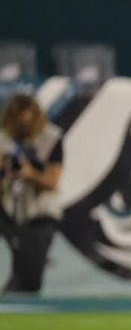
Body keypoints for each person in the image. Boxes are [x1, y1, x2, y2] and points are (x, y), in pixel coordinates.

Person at [0, 94, 64, 294]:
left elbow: (52, 182)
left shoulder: (50, 138)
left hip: (38, 212)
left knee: (29, 279)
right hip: (7, 207)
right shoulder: (3, 139)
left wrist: (30, 174)